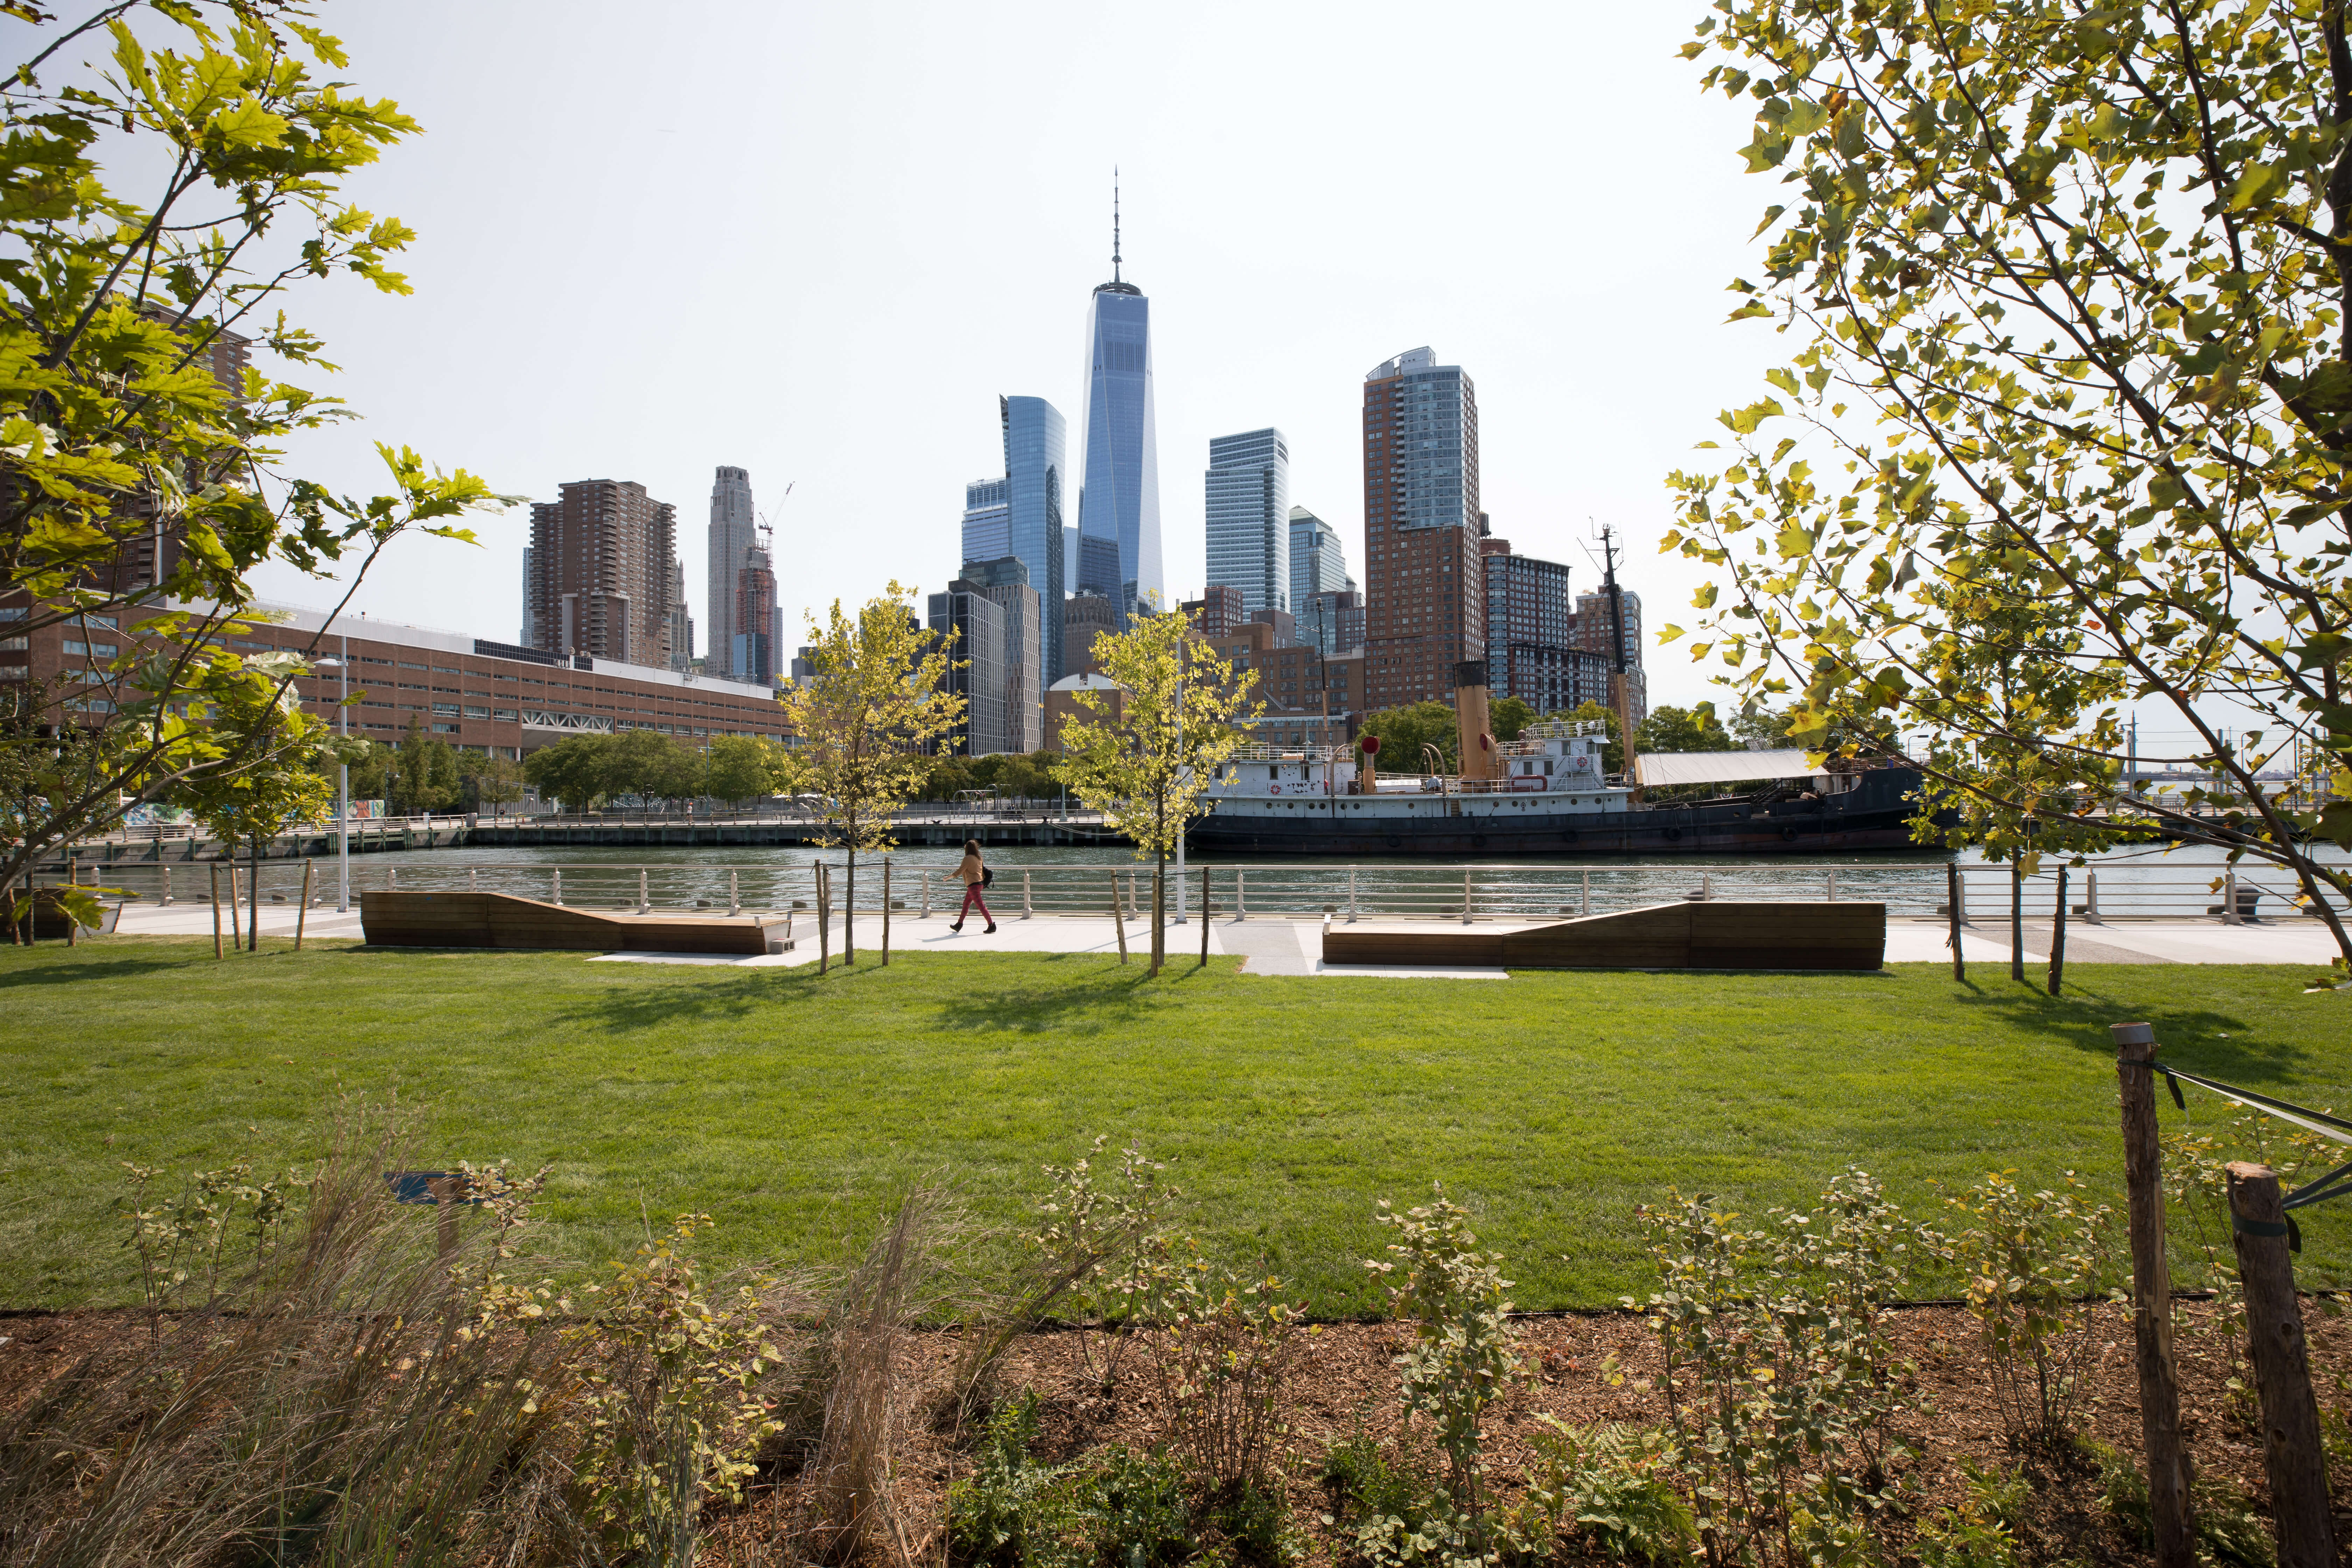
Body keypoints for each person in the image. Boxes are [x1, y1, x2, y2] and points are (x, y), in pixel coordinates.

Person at [951, 838, 995, 934]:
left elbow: (960, 871)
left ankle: (991, 925)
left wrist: (948, 877)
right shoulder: (979, 858)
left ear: (967, 848)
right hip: (979, 884)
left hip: (973, 886)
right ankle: (959, 924)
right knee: (966, 904)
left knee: (981, 906)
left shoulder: (968, 858)